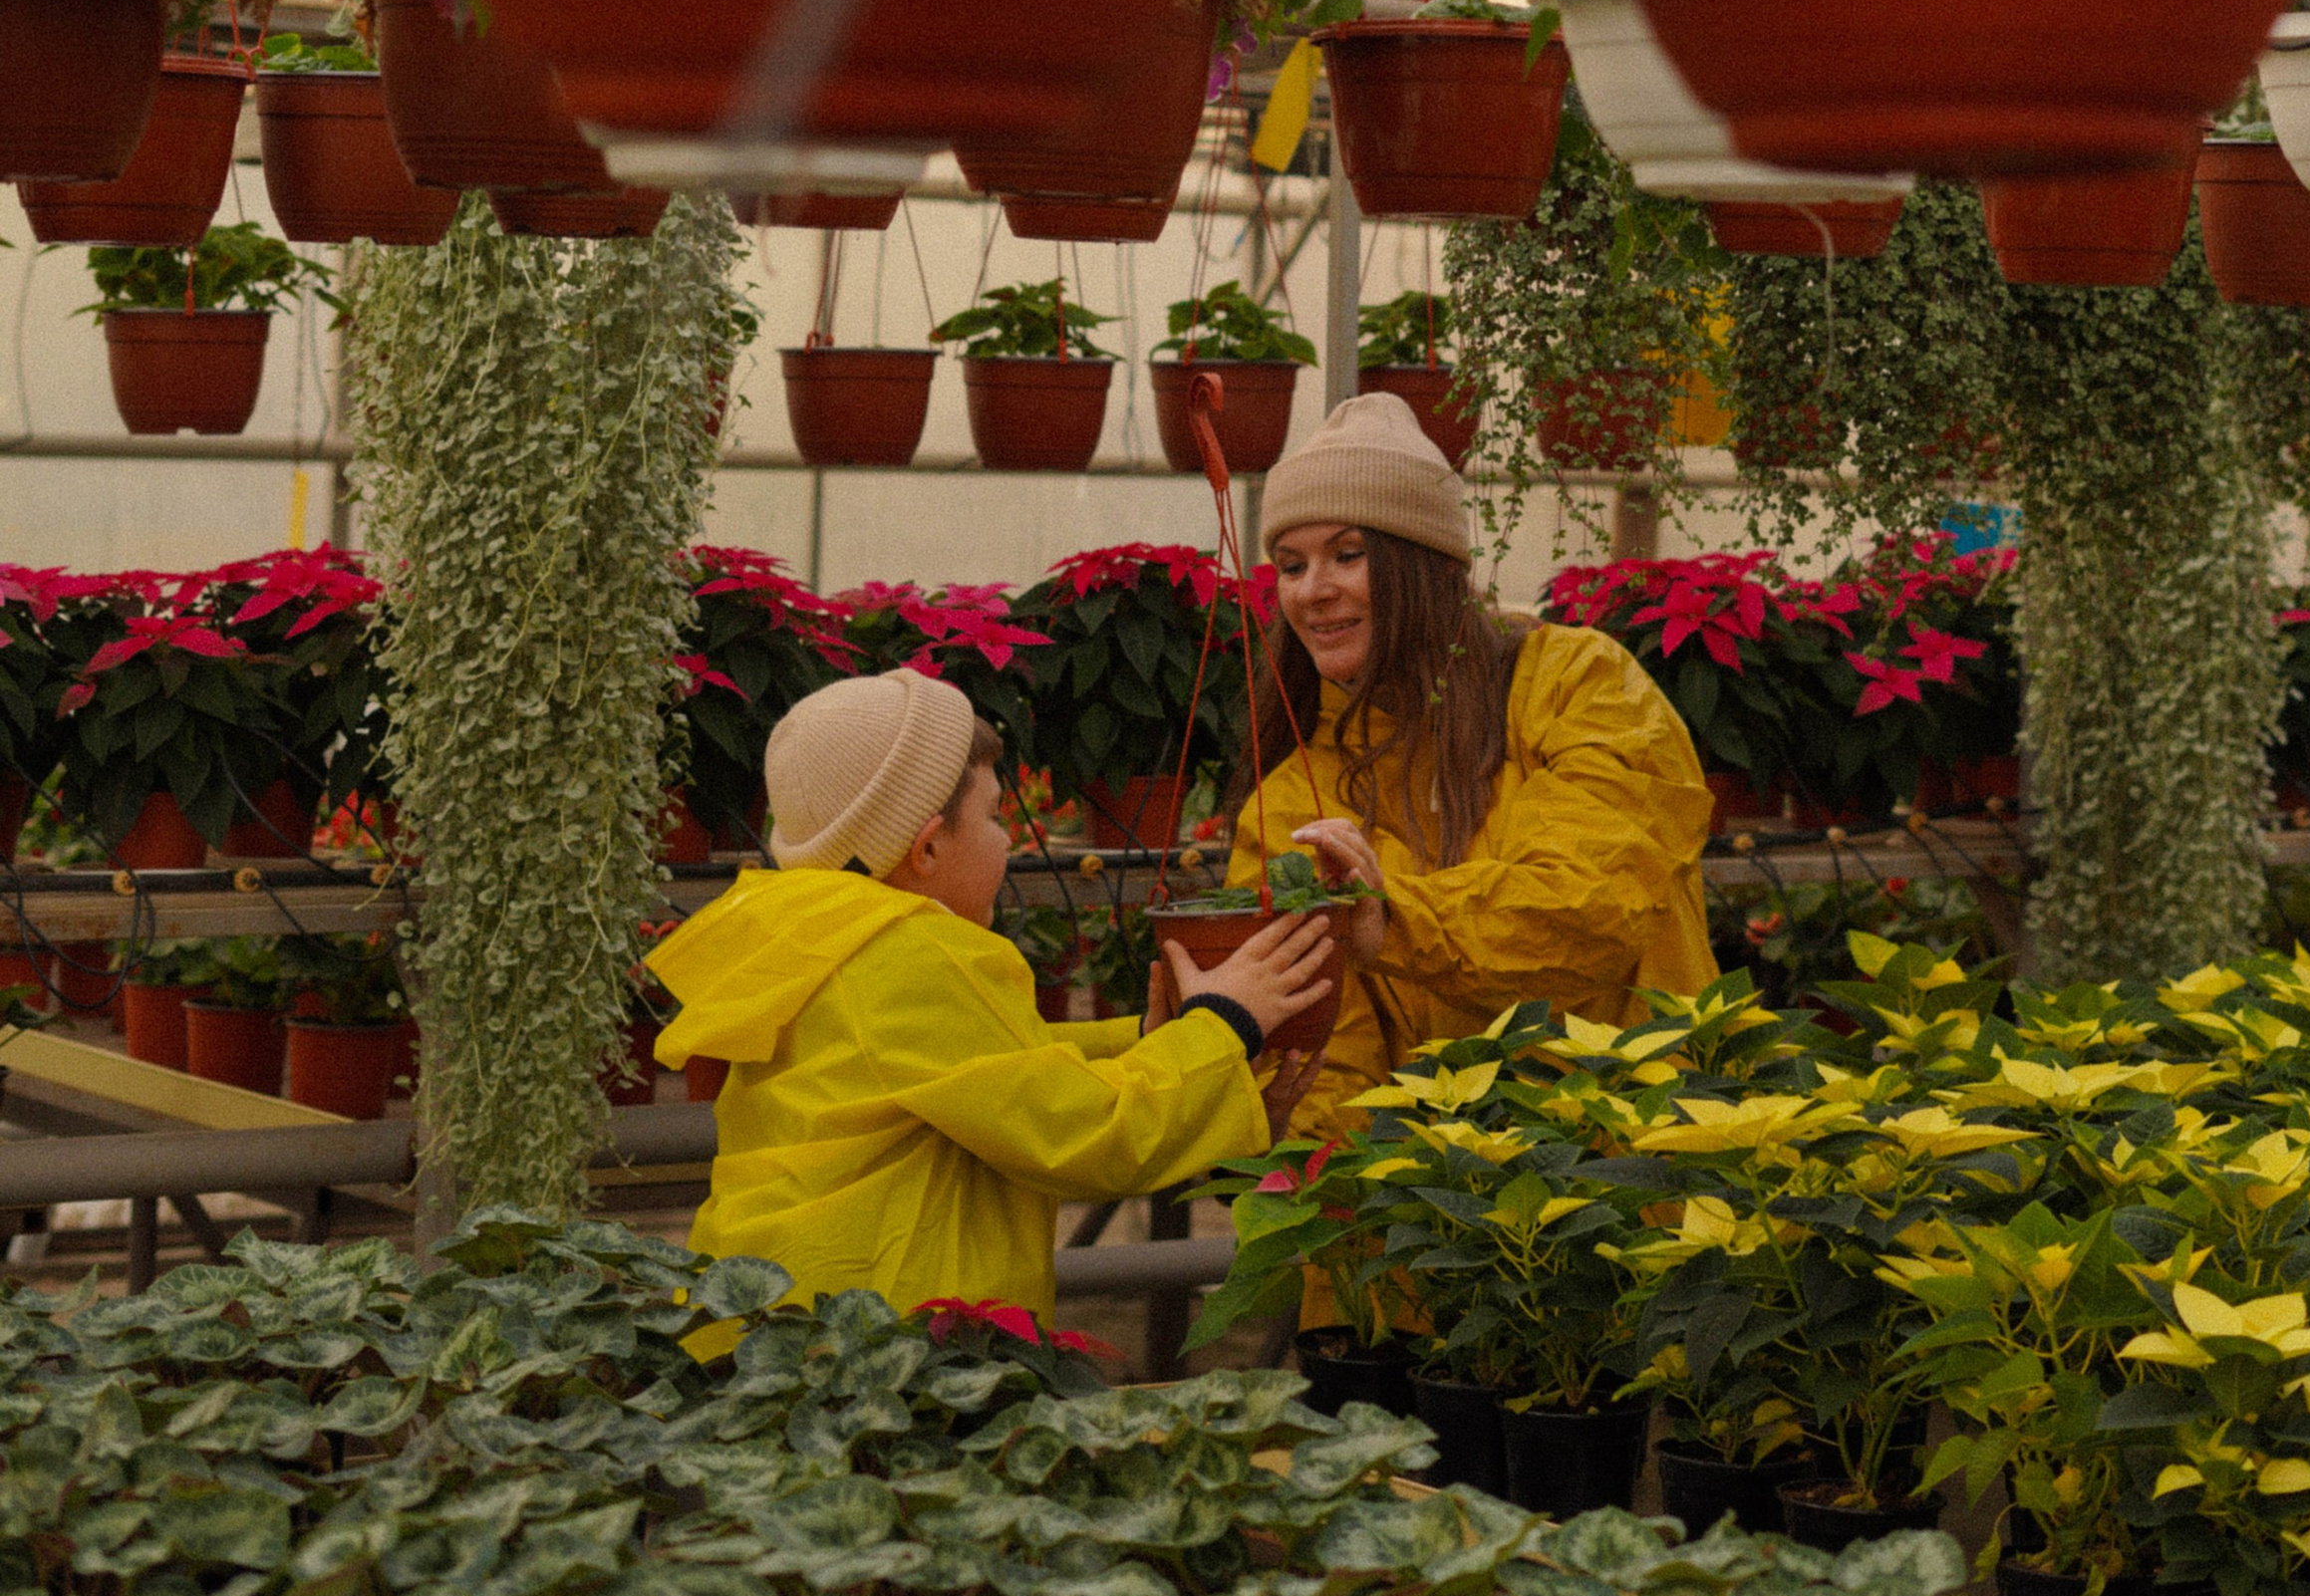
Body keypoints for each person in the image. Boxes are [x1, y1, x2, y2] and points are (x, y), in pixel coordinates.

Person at [648, 662, 1331, 1321]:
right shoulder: (910, 952)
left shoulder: (813, 934)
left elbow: (993, 1067)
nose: (1011, 840)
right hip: (876, 1349)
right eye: (995, 816)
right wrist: (1224, 1022)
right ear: (927, 850)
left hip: (784, 1314)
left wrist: (1147, 1042)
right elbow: (1085, 1132)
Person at [1223, 389, 1714, 1132]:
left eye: (1348, 555)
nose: (1313, 591)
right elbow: (1326, 1069)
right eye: (1290, 566)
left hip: (1634, 1174)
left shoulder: (1581, 683)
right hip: (1437, 1214)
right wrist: (1355, 1215)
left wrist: (1389, 920)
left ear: (1425, 564)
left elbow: (1591, 909)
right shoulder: (1295, 802)